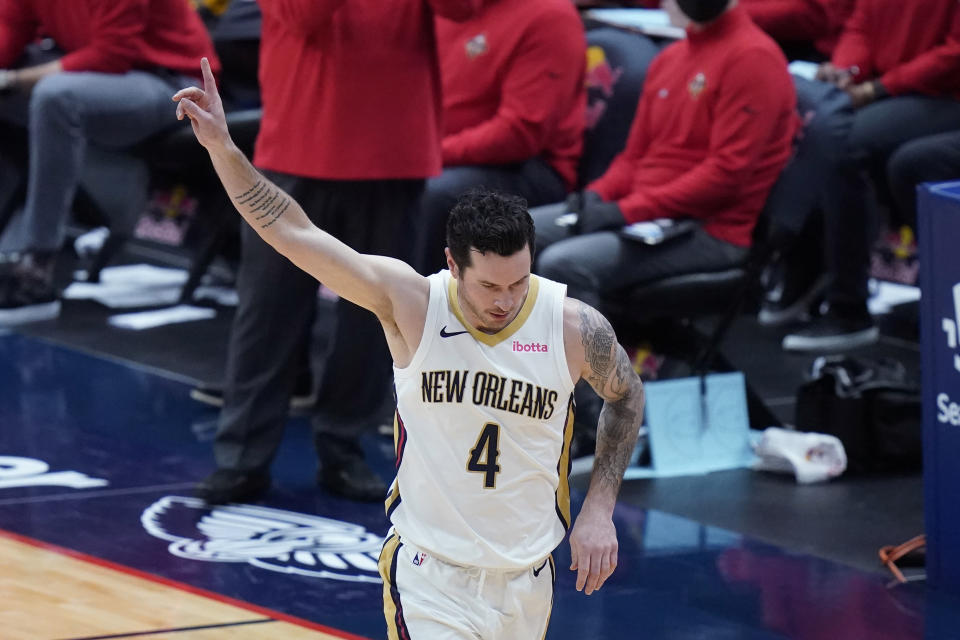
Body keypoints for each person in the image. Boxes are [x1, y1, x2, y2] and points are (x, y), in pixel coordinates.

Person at [175, 57, 645, 637]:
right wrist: (224, 149)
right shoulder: (413, 304)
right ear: (452, 265)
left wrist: (599, 507)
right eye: (489, 286)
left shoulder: (572, 326)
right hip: (430, 574)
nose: (506, 301)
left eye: (518, 282)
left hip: (529, 576)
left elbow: (626, 396)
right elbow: (293, 231)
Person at [194, 0, 482, 505]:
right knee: (268, 312)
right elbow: (304, 16)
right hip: (301, 144)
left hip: (394, 149)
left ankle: (344, 447)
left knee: (379, 317)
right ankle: (241, 457)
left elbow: (465, 9)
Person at [531, 0, 797, 310]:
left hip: (709, 229)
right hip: (646, 212)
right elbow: (635, 157)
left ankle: (590, 359)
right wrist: (597, 194)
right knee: (505, 233)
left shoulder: (754, 60)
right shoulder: (670, 58)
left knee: (565, 264)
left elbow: (724, 178)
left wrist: (626, 211)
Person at [0, 0, 220, 324]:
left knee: (55, 96)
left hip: (173, 83)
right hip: (102, 71)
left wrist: (14, 79)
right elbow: (9, 31)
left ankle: (36, 267)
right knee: (44, 90)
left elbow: (111, 54)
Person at [778, 0, 960, 351]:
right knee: (818, 120)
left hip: (945, 94)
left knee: (846, 142)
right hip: (896, 88)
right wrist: (844, 70)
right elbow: (861, 22)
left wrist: (880, 88)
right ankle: (804, 266)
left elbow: (954, 52)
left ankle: (848, 308)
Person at [413, 0, 586, 275]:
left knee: (427, 191)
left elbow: (520, 133)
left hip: (531, 169)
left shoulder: (550, 16)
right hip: (442, 153)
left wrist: (428, 155)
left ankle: (418, 309)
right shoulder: (447, 9)